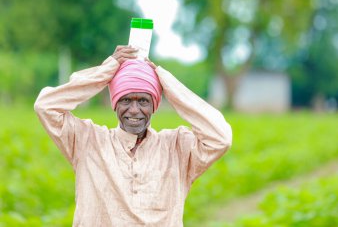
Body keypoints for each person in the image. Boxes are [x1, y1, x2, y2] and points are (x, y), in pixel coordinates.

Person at [34, 45, 232, 227]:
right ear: (115, 104)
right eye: (126, 99)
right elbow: (45, 106)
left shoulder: (177, 147)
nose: (134, 110)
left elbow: (221, 137)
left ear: (155, 104)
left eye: (144, 101)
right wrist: (105, 71)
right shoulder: (87, 140)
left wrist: (168, 84)